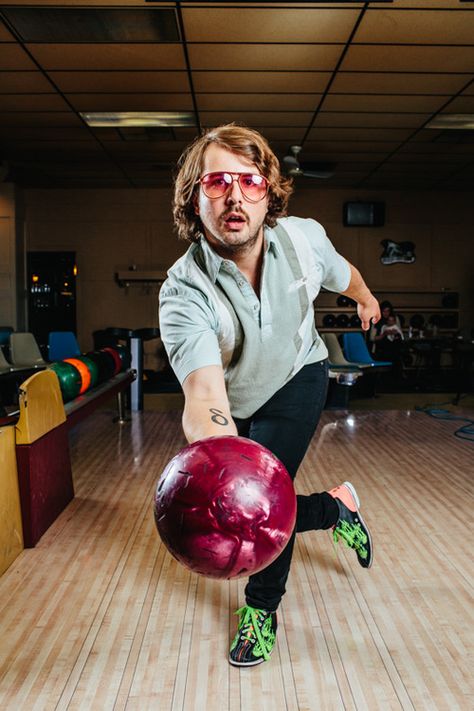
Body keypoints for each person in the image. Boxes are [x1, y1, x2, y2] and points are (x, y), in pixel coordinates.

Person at [159, 124, 381, 667]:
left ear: (268, 194)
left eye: (250, 182)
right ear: (194, 195)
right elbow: (205, 392)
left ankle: (260, 610)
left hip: (297, 377)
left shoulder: (303, 239)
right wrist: (220, 461)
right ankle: (337, 510)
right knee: (245, 497)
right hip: (233, 401)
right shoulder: (183, 291)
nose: (235, 196)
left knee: (263, 499)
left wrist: (367, 297)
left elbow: (343, 274)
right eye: (216, 181)